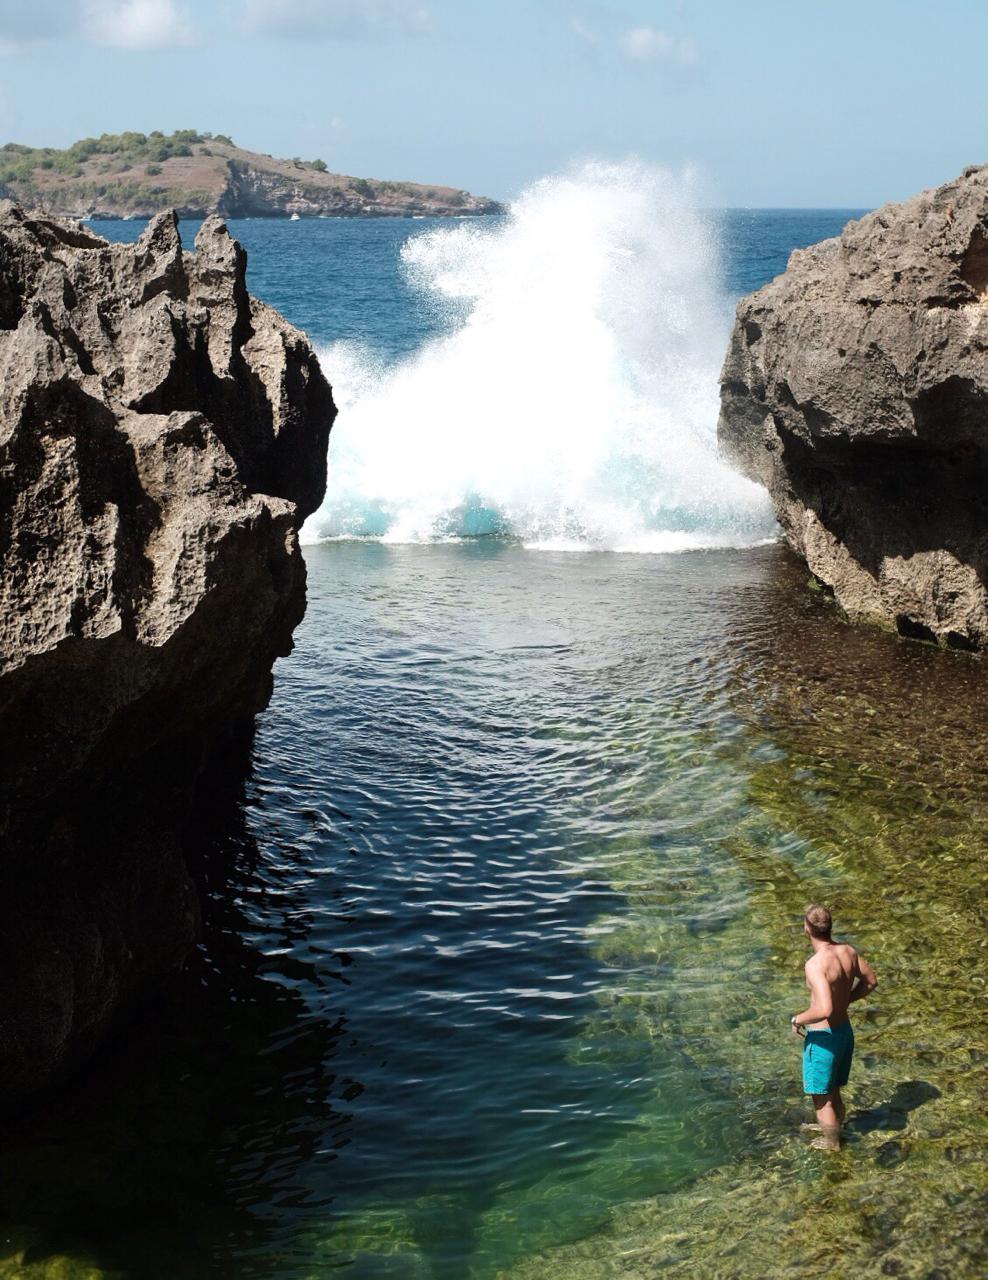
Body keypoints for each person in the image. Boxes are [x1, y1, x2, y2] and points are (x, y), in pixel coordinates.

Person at [790, 904, 878, 1150]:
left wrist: (797, 1019)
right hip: (844, 1034)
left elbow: (824, 1010)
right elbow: (871, 981)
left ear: (806, 929)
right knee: (834, 1091)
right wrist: (847, 999)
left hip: (823, 1039)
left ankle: (832, 1143)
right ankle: (835, 1129)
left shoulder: (815, 964)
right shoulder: (848, 951)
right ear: (830, 926)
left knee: (822, 1100)